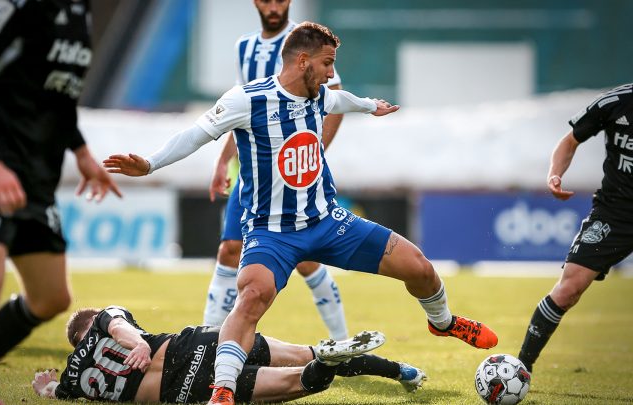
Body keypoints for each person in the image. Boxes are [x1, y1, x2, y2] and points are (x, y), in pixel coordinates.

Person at [103, 21, 497, 405]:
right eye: (327, 64)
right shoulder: (247, 99)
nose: (331, 73)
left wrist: (368, 106)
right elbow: (196, 133)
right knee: (252, 296)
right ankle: (223, 390)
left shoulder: (318, 95)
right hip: (272, 232)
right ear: (304, 60)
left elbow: (340, 100)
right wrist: (150, 163)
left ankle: (443, 322)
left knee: (420, 267)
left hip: (327, 221)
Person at [0, 1, 122, 404]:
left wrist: (81, 153)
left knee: (51, 298)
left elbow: (60, 93)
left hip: (34, 172)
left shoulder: (80, 12)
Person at [203, 0, 348, 341]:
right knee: (229, 249)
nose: (273, 5)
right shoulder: (245, 46)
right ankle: (205, 337)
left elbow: (335, 97)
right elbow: (242, 110)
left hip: (294, 173)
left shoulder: (304, 41)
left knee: (305, 258)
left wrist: (313, 150)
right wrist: (223, 159)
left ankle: (343, 342)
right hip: (254, 171)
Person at [31, 305, 426, 403]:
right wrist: (136, 343)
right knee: (300, 352)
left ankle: (324, 364)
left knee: (299, 382)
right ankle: (401, 371)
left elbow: (51, 393)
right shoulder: (105, 320)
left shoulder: (72, 381)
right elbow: (119, 326)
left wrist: (46, 386)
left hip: (190, 387)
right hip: (205, 343)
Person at [518, 83, 633, 374]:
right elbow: (569, 142)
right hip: (615, 212)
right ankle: (521, 367)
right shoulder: (613, 102)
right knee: (569, 288)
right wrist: (555, 174)